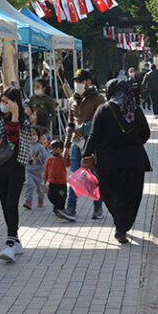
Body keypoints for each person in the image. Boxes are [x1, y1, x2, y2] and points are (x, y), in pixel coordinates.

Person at [82, 79, 151, 244]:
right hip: (133, 161)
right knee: (131, 195)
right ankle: (122, 227)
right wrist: (132, 145)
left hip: (107, 163)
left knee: (109, 194)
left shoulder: (103, 110)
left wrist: (86, 154)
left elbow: (94, 136)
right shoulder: (135, 110)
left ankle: (119, 223)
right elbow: (145, 134)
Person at [0, 87, 33, 263]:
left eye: (8, 102)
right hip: (0, 164)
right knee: (5, 204)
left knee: (12, 203)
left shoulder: (24, 121)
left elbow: (13, 138)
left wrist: (14, 117)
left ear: (16, 104)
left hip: (16, 165)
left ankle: (10, 241)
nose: (4, 105)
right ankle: (16, 240)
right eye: (2, 101)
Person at [63, 69, 106, 220]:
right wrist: (66, 146)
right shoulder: (72, 100)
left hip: (92, 142)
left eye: (80, 81)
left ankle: (98, 207)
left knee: (94, 175)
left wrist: (83, 130)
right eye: (76, 81)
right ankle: (71, 208)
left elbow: (100, 122)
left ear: (88, 82)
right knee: (75, 174)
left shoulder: (98, 99)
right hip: (77, 142)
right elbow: (70, 124)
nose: (77, 84)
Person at [44, 140, 72, 220]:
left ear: (61, 150)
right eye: (52, 148)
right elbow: (47, 170)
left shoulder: (62, 159)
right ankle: (56, 207)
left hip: (61, 183)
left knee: (62, 197)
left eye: (57, 149)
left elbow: (68, 164)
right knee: (50, 196)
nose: (54, 151)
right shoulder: (50, 159)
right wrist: (45, 179)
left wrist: (67, 157)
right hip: (52, 182)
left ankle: (60, 210)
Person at [23, 127, 49, 210]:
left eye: (34, 134)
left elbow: (45, 157)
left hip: (39, 171)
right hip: (29, 171)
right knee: (29, 185)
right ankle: (28, 201)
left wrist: (45, 167)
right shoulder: (26, 146)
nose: (32, 137)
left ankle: (40, 199)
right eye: (30, 135)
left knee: (40, 187)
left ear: (38, 136)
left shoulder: (40, 147)